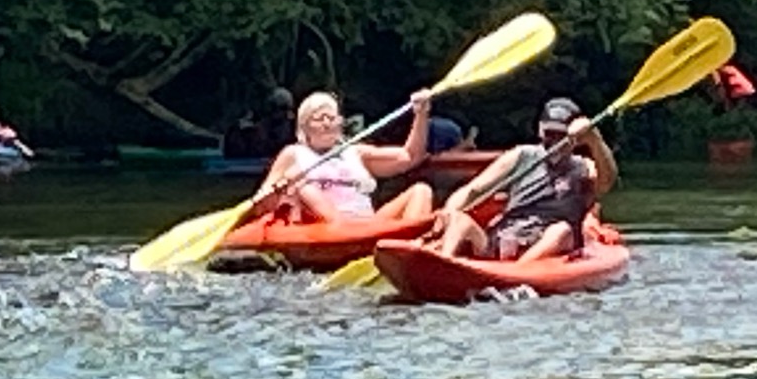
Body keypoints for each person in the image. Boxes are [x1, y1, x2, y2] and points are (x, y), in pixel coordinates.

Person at [428, 97, 618, 263]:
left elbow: (606, 181)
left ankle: (516, 273)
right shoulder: (522, 155)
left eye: (560, 136)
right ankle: (443, 263)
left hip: (545, 244)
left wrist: (594, 138)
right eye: (549, 134)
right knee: (459, 219)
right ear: (540, 131)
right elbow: (473, 190)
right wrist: (448, 212)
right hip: (504, 237)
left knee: (562, 231)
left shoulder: (584, 167)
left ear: (575, 138)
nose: (554, 141)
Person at [256, 89, 435, 223]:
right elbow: (263, 202)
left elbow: (410, 156)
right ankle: (341, 229)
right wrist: (281, 187)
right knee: (304, 188)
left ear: (340, 124)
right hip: (326, 226)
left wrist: (421, 114)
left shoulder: (356, 152)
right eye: (318, 119)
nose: (327, 124)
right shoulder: (293, 154)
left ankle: (410, 246)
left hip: (365, 223)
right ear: (305, 128)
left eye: (331, 118)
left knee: (421, 191)